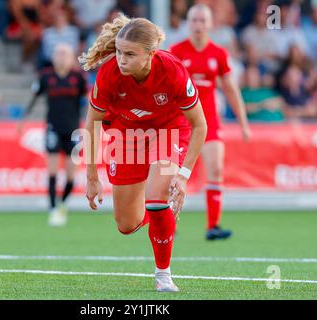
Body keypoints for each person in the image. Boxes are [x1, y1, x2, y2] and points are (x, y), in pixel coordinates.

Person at [79, 13, 207, 292]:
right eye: (119, 52)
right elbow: (92, 123)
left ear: (150, 54)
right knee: (126, 225)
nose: (121, 60)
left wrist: (183, 175)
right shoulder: (110, 73)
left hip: (168, 130)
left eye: (129, 54)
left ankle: (163, 275)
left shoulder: (172, 70)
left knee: (157, 198)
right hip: (125, 135)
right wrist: (91, 175)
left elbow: (200, 126)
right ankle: (158, 216)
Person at [170, 4, 250, 241]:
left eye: (202, 21)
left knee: (216, 169)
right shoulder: (176, 51)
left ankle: (213, 225)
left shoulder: (219, 54)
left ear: (210, 24)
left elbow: (231, 90)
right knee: (171, 175)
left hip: (209, 121)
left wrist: (243, 123)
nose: (198, 25)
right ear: (188, 23)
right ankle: (168, 224)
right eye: (194, 20)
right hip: (180, 123)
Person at [18, 43, 87, 227]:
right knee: (52, 169)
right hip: (53, 128)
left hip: (73, 130)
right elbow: (33, 98)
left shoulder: (78, 77)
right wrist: (23, 120)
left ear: (72, 57)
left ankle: (62, 203)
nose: (61, 56)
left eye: (64, 53)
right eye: (58, 53)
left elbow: (89, 101)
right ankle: (52, 209)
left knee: (72, 173)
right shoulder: (46, 77)